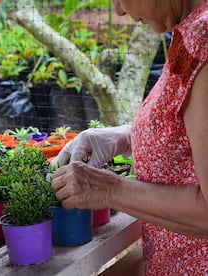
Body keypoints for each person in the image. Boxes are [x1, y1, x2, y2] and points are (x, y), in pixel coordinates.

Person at [51, 0, 208, 275]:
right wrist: (126, 136)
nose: (118, 11)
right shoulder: (191, 26)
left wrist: (108, 189)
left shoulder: (205, 42)